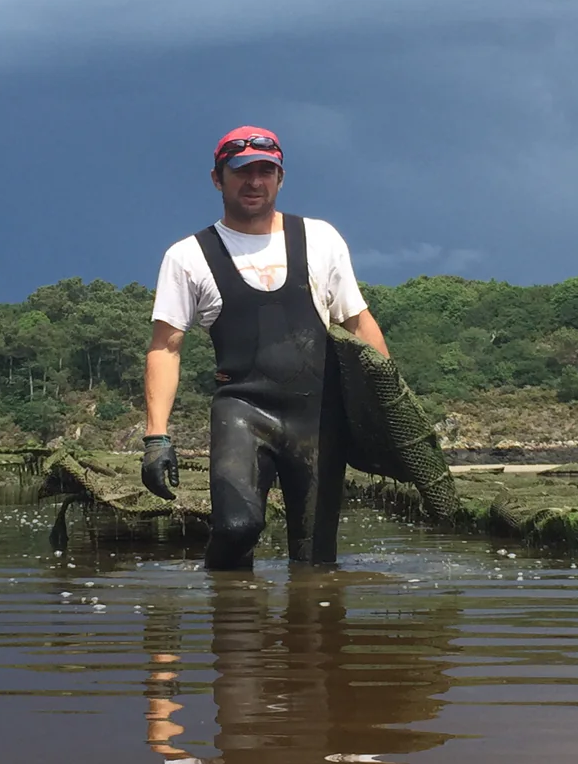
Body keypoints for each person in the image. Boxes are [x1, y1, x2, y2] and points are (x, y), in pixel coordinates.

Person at [141, 126, 391, 570]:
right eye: (241, 171)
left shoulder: (321, 238)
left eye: (265, 171)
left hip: (317, 418)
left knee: (316, 561)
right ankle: (229, 613)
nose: (254, 181)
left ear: (280, 178)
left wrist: (389, 402)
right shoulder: (188, 256)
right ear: (218, 178)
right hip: (241, 411)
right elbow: (166, 347)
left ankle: (302, 633)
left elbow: (357, 321)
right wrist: (157, 438)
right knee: (237, 528)